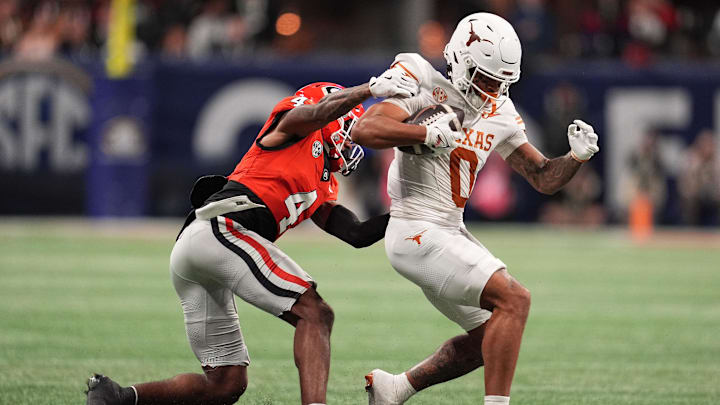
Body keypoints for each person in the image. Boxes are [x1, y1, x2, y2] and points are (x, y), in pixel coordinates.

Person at [84, 69, 418, 405]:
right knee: (315, 314)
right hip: (221, 230)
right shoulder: (292, 130)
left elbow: (356, 233)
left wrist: (414, 213)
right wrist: (367, 90)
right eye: (346, 126)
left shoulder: (323, 183)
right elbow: (314, 113)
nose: (351, 139)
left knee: (225, 384)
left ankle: (119, 397)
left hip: (200, 245)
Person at [351, 12, 599, 405]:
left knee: (494, 335)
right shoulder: (420, 77)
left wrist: (575, 157)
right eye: (486, 78)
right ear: (462, 59)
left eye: (501, 81)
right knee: (515, 300)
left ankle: (394, 388)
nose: (493, 89)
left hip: (449, 230)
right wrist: (425, 133)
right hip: (414, 228)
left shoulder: (499, 108)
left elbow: (542, 176)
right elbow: (364, 130)